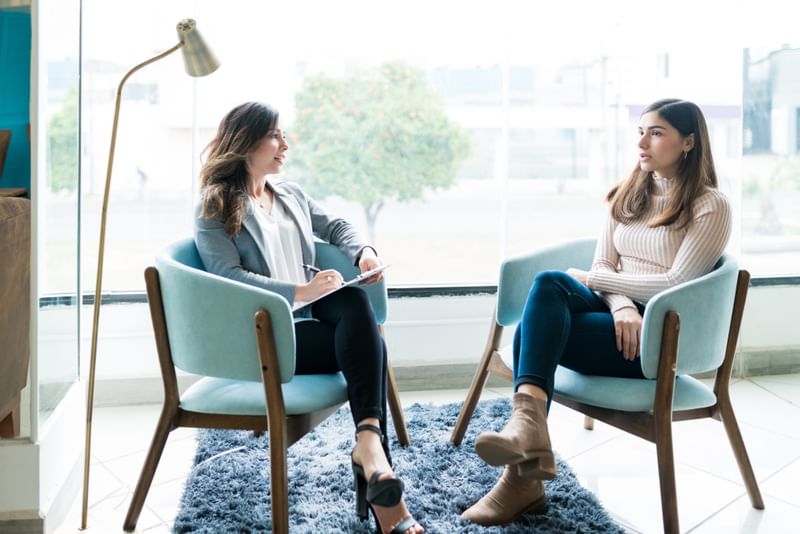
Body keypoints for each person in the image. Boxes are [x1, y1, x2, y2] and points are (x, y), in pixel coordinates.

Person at [461, 98, 732, 526]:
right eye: (640, 131)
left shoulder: (709, 205)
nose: (642, 142)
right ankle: (527, 431)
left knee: (535, 335)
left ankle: (522, 476)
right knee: (549, 284)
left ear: (688, 142)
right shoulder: (630, 192)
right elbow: (604, 265)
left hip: (656, 341)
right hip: (618, 316)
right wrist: (621, 304)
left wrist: (600, 284)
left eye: (656, 133)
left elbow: (676, 283)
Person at [194, 102, 423, 534]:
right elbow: (226, 277)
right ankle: (378, 475)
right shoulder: (216, 205)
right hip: (266, 337)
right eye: (276, 136)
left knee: (356, 305)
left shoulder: (290, 194)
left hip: (311, 319)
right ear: (246, 142)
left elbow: (336, 225)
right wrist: (299, 291)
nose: (286, 144)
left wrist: (363, 252)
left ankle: (369, 445)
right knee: (370, 342)